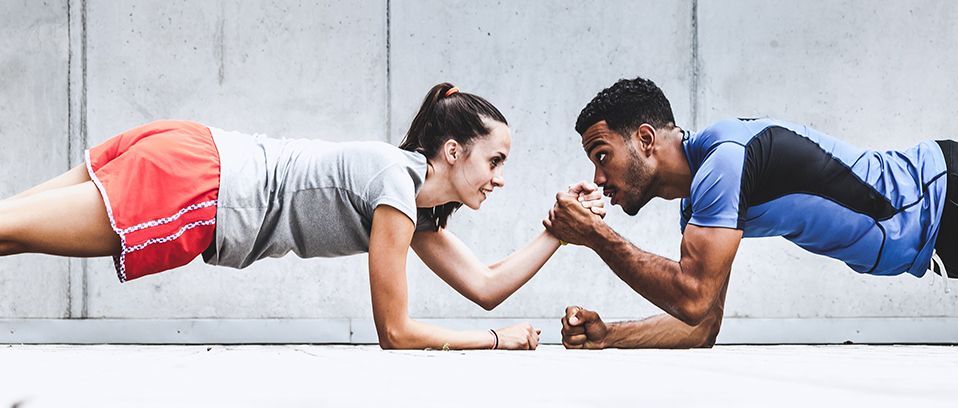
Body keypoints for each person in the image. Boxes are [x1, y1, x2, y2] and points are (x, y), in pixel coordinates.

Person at [0, 83, 605, 350]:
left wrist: (558, 231)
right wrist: (493, 343)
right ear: (453, 152)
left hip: (191, 153)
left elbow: (486, 286)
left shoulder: (409, 203)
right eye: (494, 161)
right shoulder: (396, 186)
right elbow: (396, 333)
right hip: (197, 187)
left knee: (8, 231)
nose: (500, 178)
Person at [545, 77, 958, 349]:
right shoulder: (705, 197)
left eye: (602, 156)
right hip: (951, 245)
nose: (598, 179)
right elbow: (702, 324)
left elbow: (689, 296)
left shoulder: (724, 159)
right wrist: (608, 334)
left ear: (645, 139)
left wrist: (596, 236)